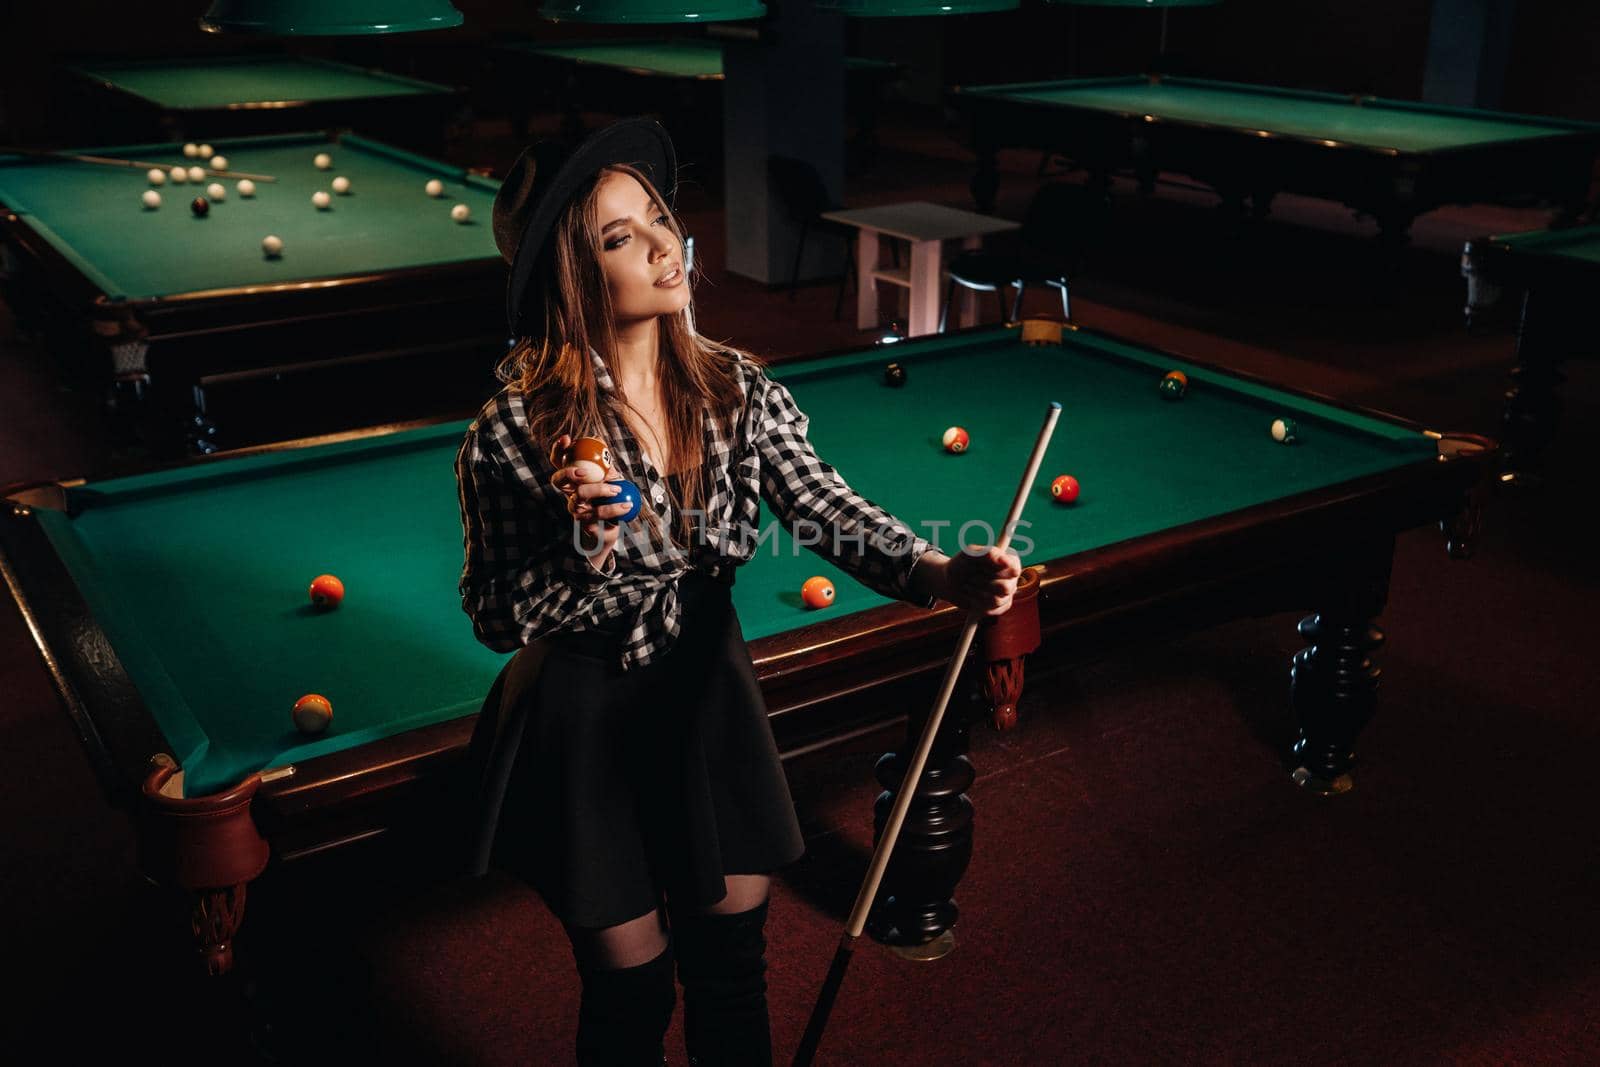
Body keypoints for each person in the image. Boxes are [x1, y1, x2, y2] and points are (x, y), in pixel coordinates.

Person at [455, 118, 1021, 1067]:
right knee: (630, 997)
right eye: (616, 236)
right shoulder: (512, 431)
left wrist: (940, 573)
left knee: (729, 970)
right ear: (570, 274)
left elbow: (828, 508)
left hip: (707, 697)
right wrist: (586, 552)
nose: (663, 243)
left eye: (658, 217)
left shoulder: (735, 388)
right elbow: (492, 612)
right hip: (585, 719)